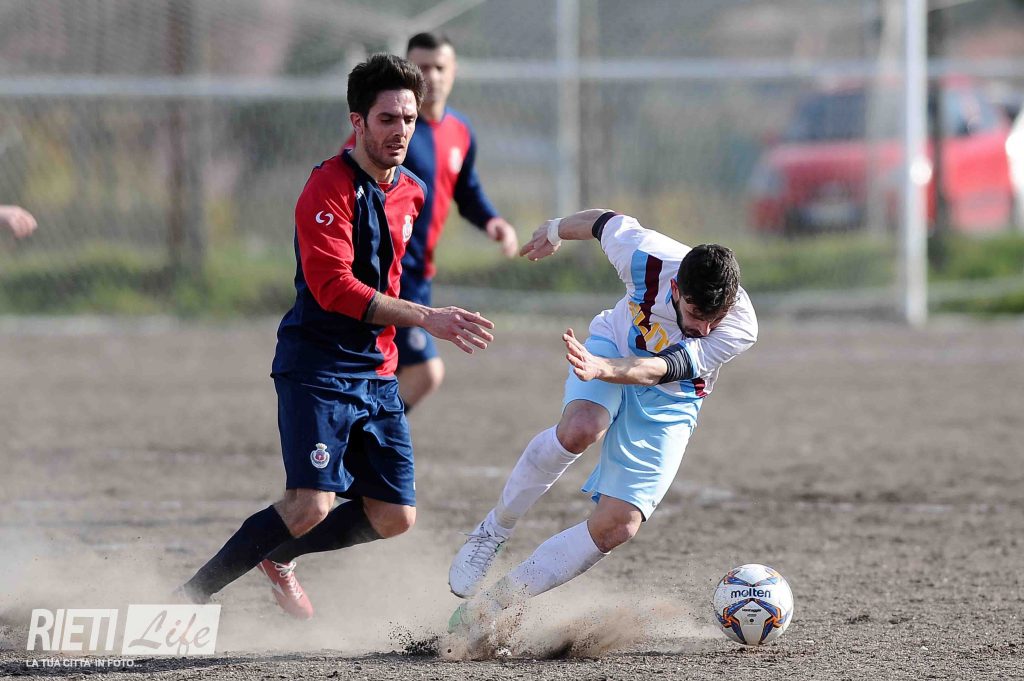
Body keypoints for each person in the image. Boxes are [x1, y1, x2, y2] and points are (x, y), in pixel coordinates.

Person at [178, 53, 495, 619]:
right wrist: (426, 317)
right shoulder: (327, 187)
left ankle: (279, 556)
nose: (401, 131)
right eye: (387, 119)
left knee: (394, 516)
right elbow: (333, 289)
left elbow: (390, 273)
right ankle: (183, 603)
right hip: (318, 368)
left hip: (377, 372)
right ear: (357, 121)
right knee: (309, 506)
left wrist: (414, 321)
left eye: (409, 119)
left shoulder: (412, 190)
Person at [445, 209, 758, 654]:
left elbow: (664, 368)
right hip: (612, 344)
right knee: (581, 428)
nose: (703, 328)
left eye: (715, 318)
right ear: (675, 289)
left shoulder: (741, 325)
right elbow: (604, 222)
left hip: (672, 395)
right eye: (694, 313)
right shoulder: (646, 256)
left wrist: (605, 369)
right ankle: (492, 532)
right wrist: (554, 230)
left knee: (618, 526)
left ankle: (493, 605)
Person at [345, 32, 518, 410]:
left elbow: (466, 189)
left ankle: (362, 431)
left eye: (440, 67)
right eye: (422, 67)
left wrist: (493, 222)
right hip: (386, 274)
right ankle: (366, 433)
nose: (432, 76)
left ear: (453, 71)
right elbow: (347, 176)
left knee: (390, 371)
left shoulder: (460, 130)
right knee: (424, 372)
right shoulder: (390, 133)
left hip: (419, 275)